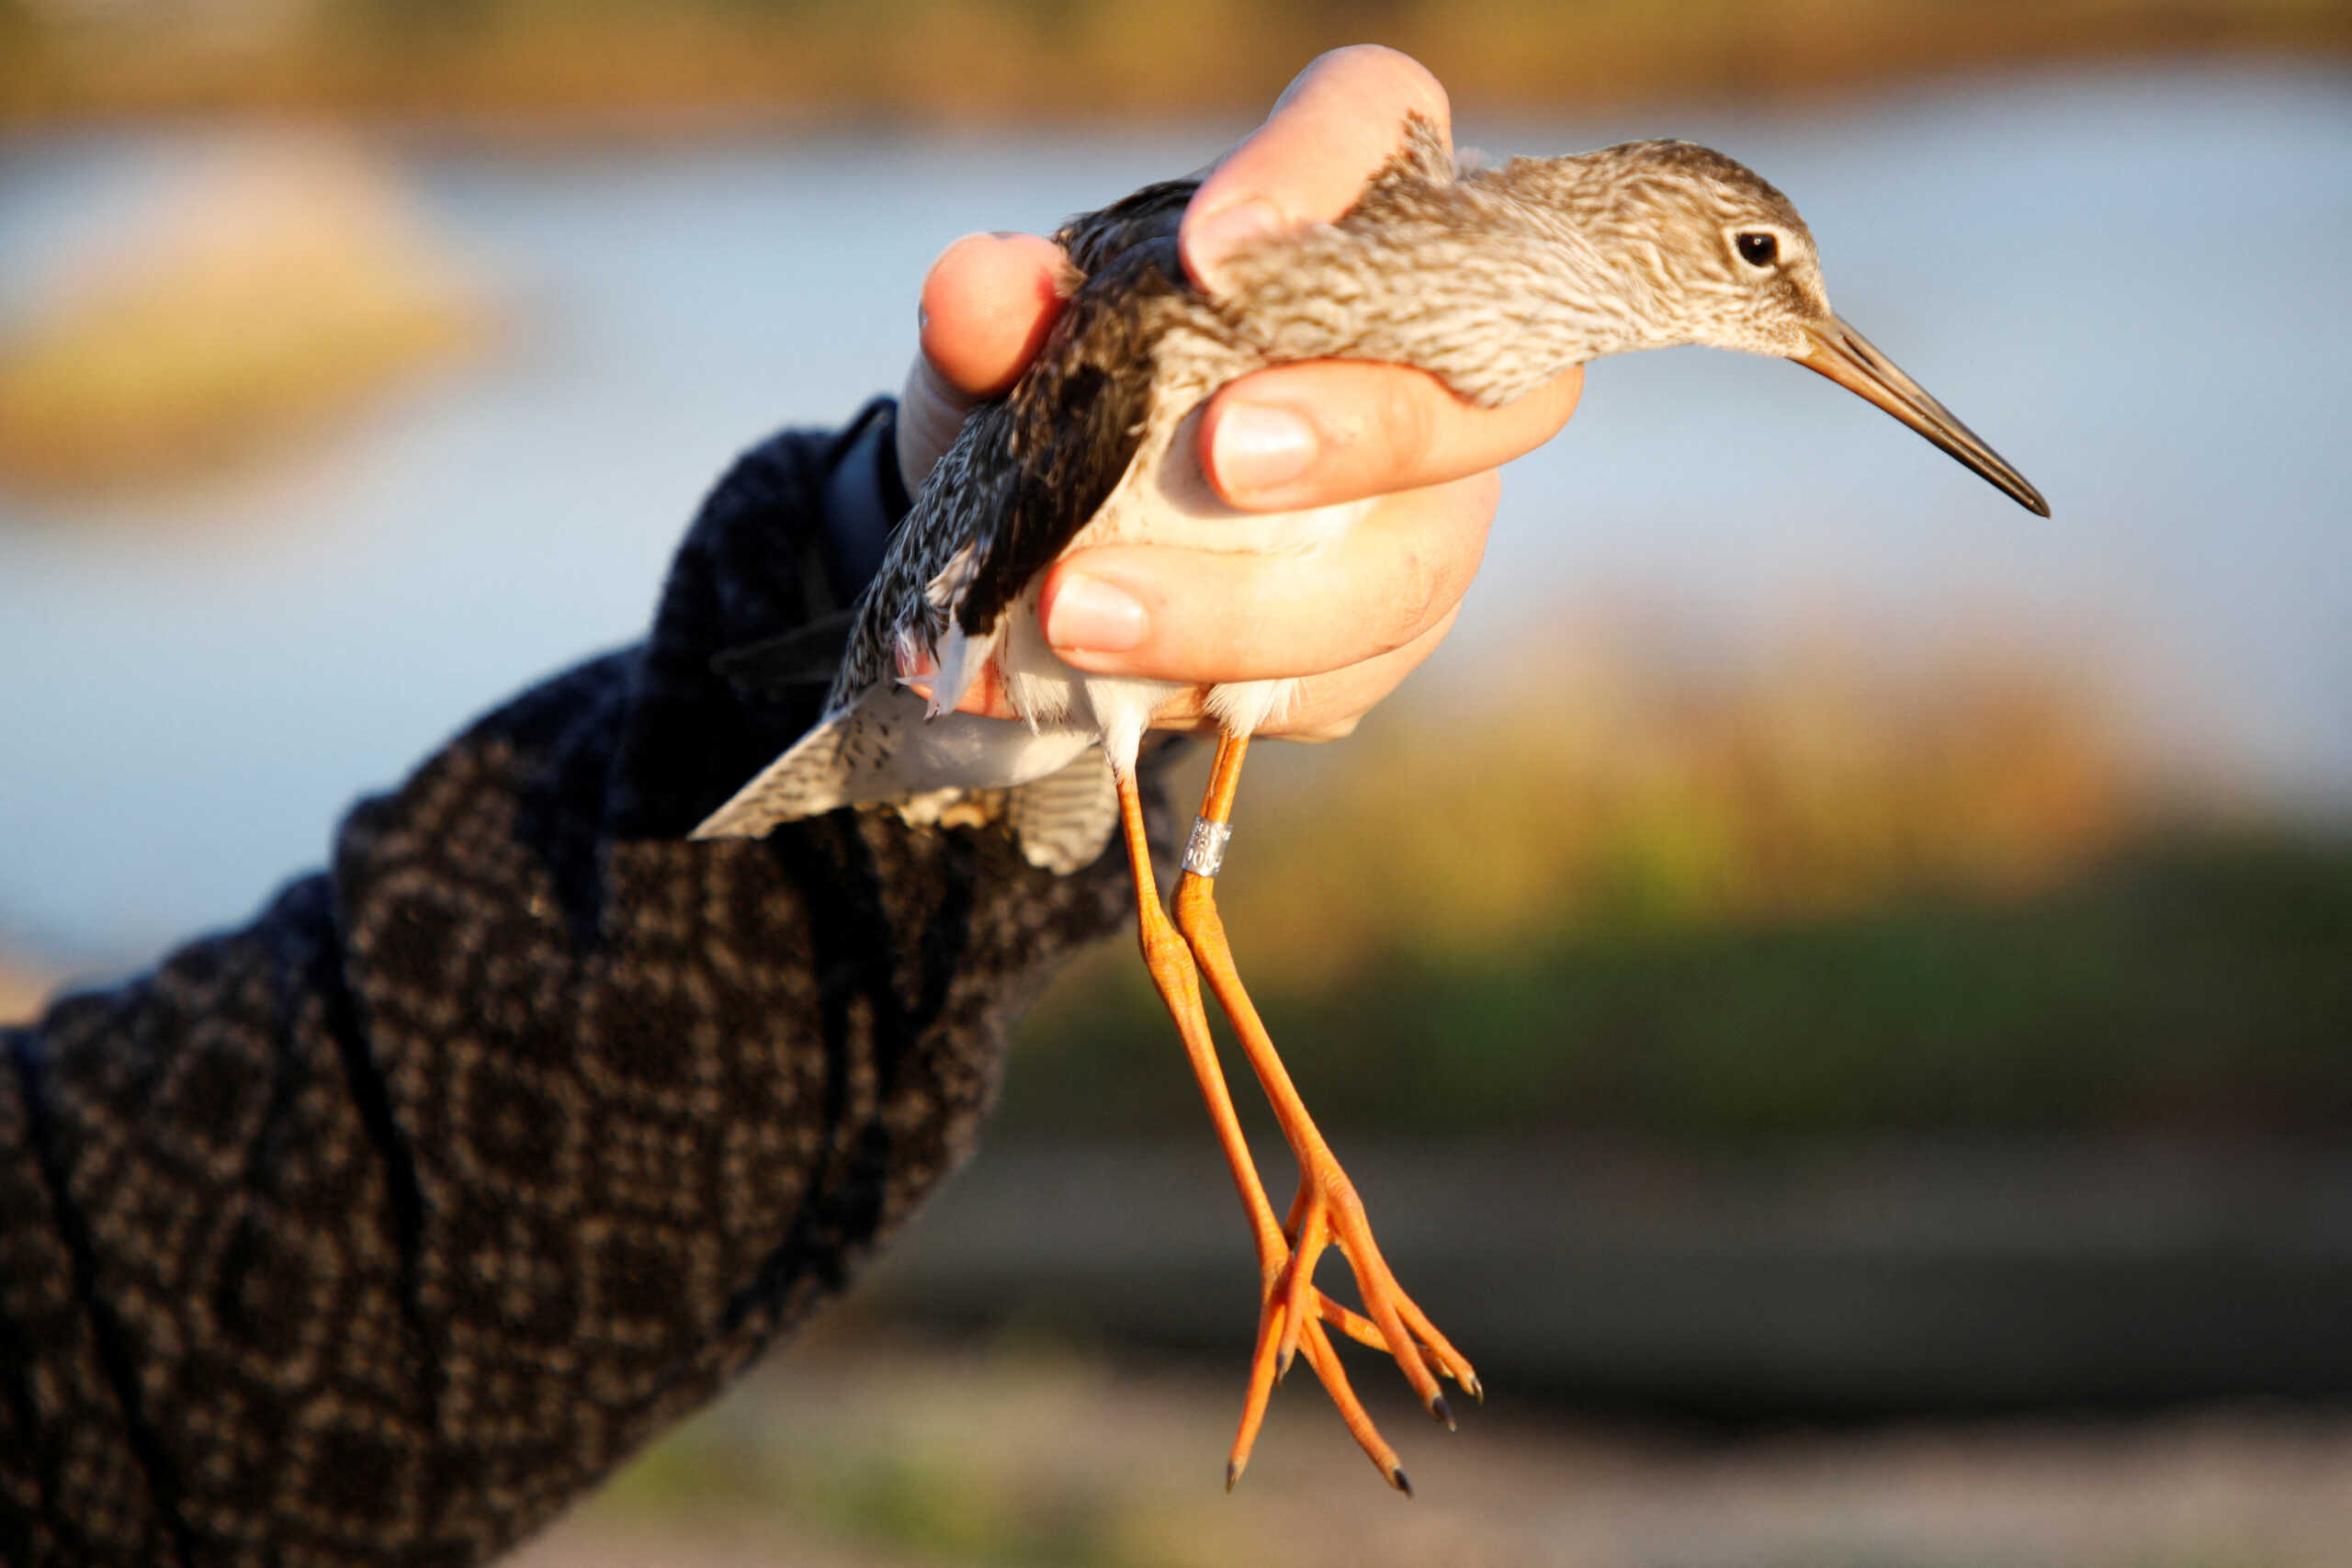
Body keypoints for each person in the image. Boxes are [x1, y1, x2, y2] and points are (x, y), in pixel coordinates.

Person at [0, 46, 1581, 1566]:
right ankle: (1300, 1220)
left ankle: (1307, 1211)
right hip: (930, 696)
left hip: (921, 697)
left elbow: (212, 1312)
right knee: (1191, 912)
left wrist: (896, 531)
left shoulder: (88, 1311)